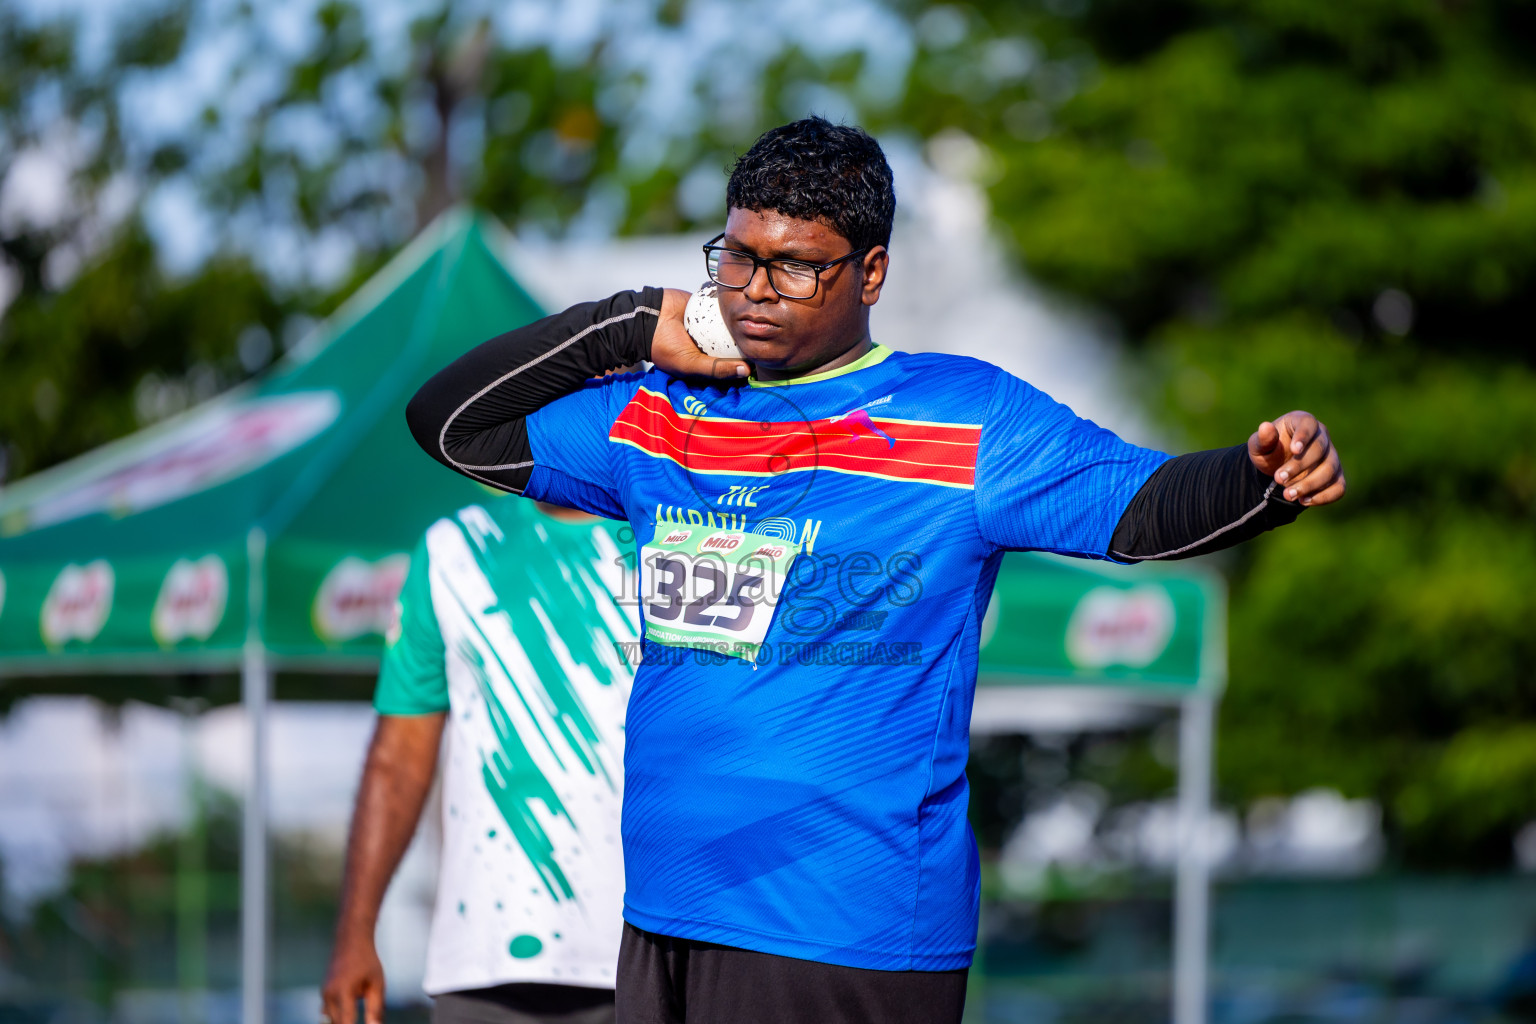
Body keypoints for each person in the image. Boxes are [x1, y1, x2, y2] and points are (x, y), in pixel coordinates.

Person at [404, 117, 1345, 1024]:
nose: (755, 289)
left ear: (872, 272)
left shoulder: (962, 416)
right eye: (737, 257)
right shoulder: (661, 411)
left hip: (842, 929)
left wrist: (1261, 474)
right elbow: (449, 424)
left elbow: (1143, 511)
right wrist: (625, 326)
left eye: (796, 266)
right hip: (662, 912)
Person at [321, 497, 637, 1024]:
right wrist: (356, 930)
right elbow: (398, 756)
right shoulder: (455, 548)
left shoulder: (670, 538)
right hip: (483, 960)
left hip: (652, 952)